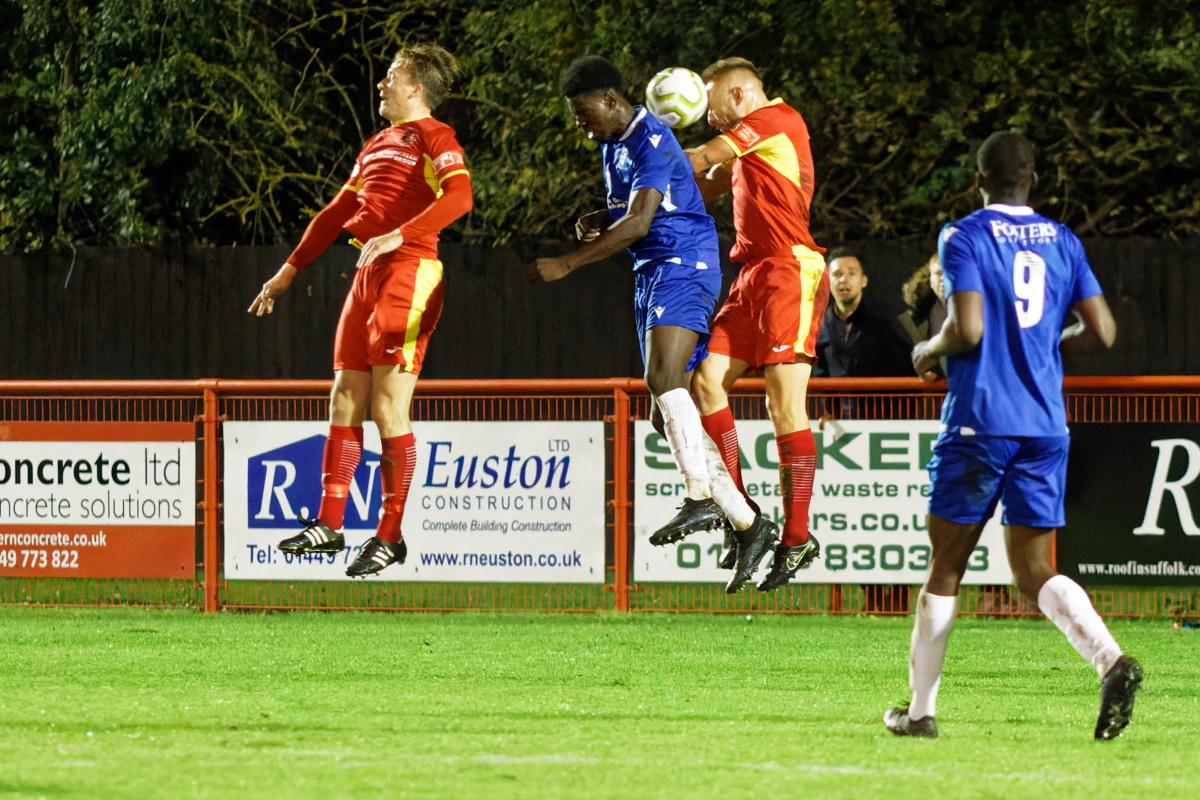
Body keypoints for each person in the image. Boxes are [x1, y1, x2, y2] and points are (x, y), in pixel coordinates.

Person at [884, 132, 1141, 741]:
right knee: (1033, 569)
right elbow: (1102, 330)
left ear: (978, 181)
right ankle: (1111, 661)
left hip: (979, 420)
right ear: (1032, 180)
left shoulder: (964, 234)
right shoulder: (1064, 240)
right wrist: (1046, 340)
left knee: (946, 566)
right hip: (1045, 425)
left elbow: (967, 329)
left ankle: (919, 715)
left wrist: (927, 347)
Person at [529, 56, 777, 590]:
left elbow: (641, 221)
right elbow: (635, 207)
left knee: (664, 381)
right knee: (664, 411)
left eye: (583, 110)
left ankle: (697, 496)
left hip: (683, 264)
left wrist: (569, 261)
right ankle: (749, 522)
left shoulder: (652, 137)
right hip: (653, 269)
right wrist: (601, 217)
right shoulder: (611, 144)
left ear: (613, 100)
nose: (579, 121)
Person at [248, 44, 472, 578]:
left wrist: (401, 231)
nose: (380, 84)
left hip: (411, 269)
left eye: (391, 76)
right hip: (367, 274)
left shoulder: (435, 137)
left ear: (415, 86)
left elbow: (460, 199)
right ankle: (329, 524)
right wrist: (288, 271)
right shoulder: (377, 143)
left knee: (387, 409)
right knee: (344, 398)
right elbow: (337, 213)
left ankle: (389, 535)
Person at [685, 57, 829, 592]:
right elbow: (701, 185)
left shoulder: (775, 120)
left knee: (783, 406)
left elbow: (700, 159)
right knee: (704, 382)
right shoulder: (750, 144)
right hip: (752, 274)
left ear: (741, 94)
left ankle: (796, 538)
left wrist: (649, 155)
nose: (706, 112)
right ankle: (744, 515)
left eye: (711, 100)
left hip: (791, 268)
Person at [813, 248, 911, 379]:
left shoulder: (886, 321)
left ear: (864, 281)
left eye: (851, 274)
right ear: (827, 281)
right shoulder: (818, 324)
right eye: (837, 274)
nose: (844, 279)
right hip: (833, 399)